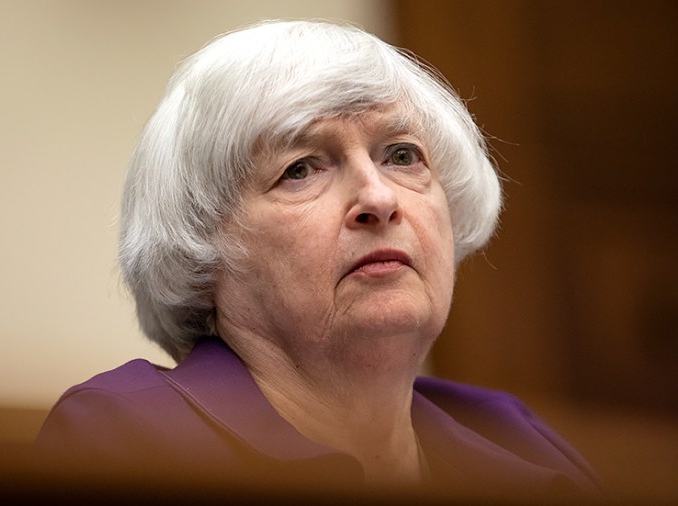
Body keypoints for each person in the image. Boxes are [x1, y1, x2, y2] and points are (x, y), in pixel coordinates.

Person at [37, 19, 604, 501]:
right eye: (302, 168)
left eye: (402, 155)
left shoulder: (517, 440)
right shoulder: (127, 435)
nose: (379, 199)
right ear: (203, 250)